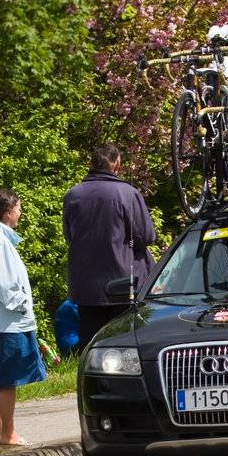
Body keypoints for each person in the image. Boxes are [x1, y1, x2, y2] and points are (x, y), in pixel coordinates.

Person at [63, 144, 156, 349]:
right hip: (122, 283)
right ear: (116, 164)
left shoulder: (72, 195)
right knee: (123, 345)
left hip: (85, 283)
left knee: (91, 345)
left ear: (91, 165)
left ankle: (89, 379)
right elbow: (146, 236)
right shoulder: (127, 193)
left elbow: (69, 236)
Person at [0, 188, 46, 450]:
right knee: (8, 380)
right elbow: (4, 285)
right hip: (8, 322)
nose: (20, 213)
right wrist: (24, 304)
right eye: (17, 209)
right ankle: (9, 433)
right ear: (7, 213)